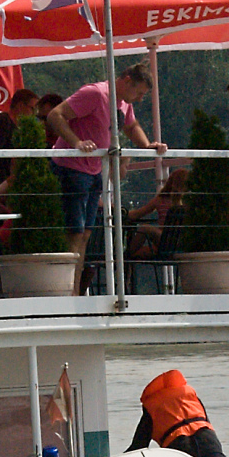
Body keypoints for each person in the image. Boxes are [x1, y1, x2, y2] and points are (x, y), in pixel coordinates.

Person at [45, 64, 167, 289]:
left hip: (93, 171)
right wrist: (76, 143)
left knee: (85, 234)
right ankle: (66, 289)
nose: (139, 99)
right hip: (72, 168)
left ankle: (74, 288)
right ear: (127, 80)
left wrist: (148, 145)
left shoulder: (123, 103)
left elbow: (131, 126)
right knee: (74, 232)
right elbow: (55, 115)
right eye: (139, 92)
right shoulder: (95, 93)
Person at [126, 370, 229, 457]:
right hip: (208, 441)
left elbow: (138, 447)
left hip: (180, 447)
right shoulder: (191, 396)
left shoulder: (152, 405)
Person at [127, 168, 187, 258]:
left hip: (165, 242)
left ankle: (123, 257)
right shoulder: (190, 202)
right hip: (183, 245)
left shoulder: (160, 200)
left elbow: (137, 214)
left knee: (144, 229)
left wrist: (120, 214)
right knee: (136, 253)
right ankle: (126, 257)